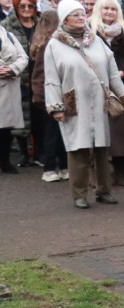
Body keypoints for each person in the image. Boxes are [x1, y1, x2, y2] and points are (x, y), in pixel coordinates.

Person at [43, 0, 124, 208]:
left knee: (102, 146)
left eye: (83, 14)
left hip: (99, 101)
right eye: (75, 15)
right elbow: (51, 78)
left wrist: (122, 95)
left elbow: (112, 72)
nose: (81, 18)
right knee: (77, 147)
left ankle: (104, 190)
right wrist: (56, 106)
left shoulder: (96, 40)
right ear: (65, 18)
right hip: (74, 102)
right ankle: (79, 194)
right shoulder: (55, 45)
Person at [91, 0, 124, 186]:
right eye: (105, 9)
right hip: (96, 86)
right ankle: (99, 172)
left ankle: (121, 168)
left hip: (122, 85)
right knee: (99, 129)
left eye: (113, 9)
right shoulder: (90, 31)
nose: (109, 12)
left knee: (121, 131)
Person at [1, 0, 41, 168]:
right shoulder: (7, 26)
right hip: (18, 79)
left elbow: (25, 55)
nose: (26, 9)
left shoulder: (40, 25)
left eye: (30, 6)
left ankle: (38, 153)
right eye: (22, 6)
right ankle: (24, 154)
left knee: (39, 116)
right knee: (20, 120)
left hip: (38, 75)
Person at [29, 11, 67, 182]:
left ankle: (63, 166)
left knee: (60, 133)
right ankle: (50, 167)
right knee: (52, 133)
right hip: (50, 94)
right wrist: (40, 96)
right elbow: (39, 74)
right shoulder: (48, 45)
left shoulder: (44, 43)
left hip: (55, 93)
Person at [0, 13, 29, 173]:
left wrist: (12, 69)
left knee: (5, 130)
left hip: (8, 86)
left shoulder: (7, 35)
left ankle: (5, 162)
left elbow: (23, 57)